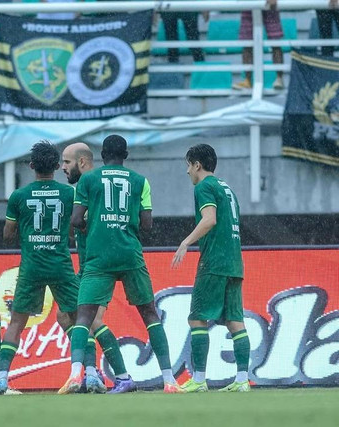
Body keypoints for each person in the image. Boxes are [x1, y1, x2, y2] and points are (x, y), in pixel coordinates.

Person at [59, 135, 182, 395]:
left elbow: (76, 219)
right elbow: (147, 224)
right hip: (129, 254)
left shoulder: (88, 180)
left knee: (83, 316)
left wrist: (94, 225)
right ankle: (170, 380)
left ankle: (74, 374)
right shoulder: (140, 181)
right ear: (126, 155)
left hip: (98, 256)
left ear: (101, 156)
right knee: (149, 314)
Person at [0, 141, 107, 395]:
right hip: (60, 265)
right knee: (81, 320)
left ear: (31, 166)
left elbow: (8, 235)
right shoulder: (69, 194)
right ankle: (90, 374)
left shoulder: (19, 196)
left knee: (16, 323)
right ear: (57, 166)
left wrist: (27, 228)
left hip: (31, 266)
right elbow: (72, 230)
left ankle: (0, 380)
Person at [171, 144, 250, 393]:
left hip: (213, 262)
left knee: (197, 318)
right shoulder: (227, 188)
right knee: (235, 321)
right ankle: (242, 380)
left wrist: (185, 242)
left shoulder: (204, 186)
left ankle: (199, 379)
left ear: (197, 165)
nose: (187, 172)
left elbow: (210, 219)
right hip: (234, 262)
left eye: (188, 165)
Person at [60, 142, 127, 393]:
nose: (62, 167)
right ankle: (92, 372)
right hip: (86, 266)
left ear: (83, 162)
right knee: (66, 316)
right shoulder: (84, 189)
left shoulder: (94, 187)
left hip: (99, 266)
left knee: (94, 320)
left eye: (67, 162)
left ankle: (119, 375)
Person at [233, 0, 284, 90]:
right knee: (247, 43)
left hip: (270, 5)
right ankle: (247, 80)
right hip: (248, 4)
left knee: (275, 40)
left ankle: (279, 78)